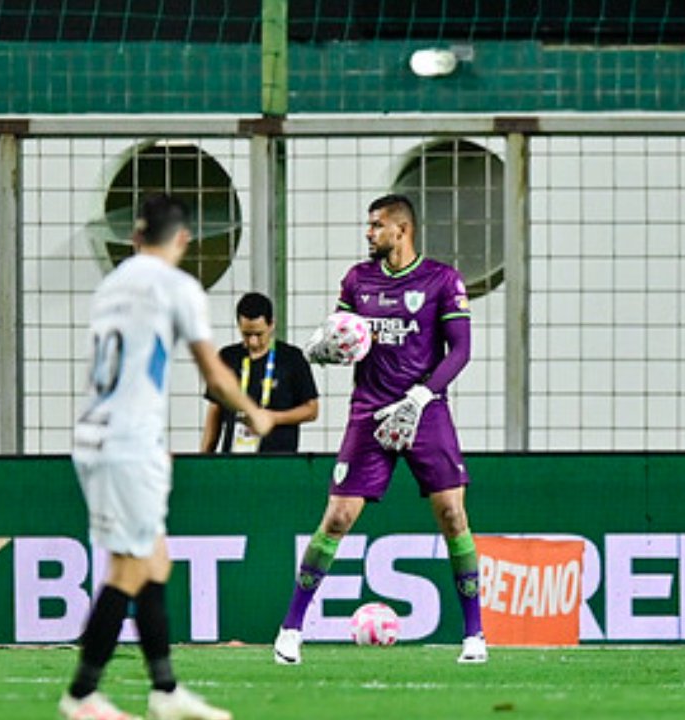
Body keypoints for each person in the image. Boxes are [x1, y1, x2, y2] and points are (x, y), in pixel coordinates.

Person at [60, 194, 274, 720]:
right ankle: (82, 693)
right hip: (128, 444)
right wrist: (255, 412)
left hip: (99, 436)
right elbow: (214, 371)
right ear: (182, 240)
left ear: (135, 238)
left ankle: (165, 690)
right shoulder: (177, 287)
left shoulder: (112, 285)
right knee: (130, 569)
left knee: (156, 561)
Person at [273, 194, 483, 665]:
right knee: (338, 518)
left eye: (376, 226)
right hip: (369, 412)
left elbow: (461, 350)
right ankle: (290, 629)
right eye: (369, 226)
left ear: (401, 230)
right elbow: (345, 335)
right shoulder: (357, 280)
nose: (369, 234)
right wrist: (325, 347)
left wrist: (423, 394)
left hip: (424, 410)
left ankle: (475, 635)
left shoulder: (442, 280)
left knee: (452, 514)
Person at [200, 292, 319, 454]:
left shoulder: (292, 358)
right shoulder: (227, 357)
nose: (253, 341)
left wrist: (273, 418)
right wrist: (205, 455)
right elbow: (215, 410)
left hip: (278, 459)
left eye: (259, 334)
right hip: (234, 457)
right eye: (246, 334)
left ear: (271, 325)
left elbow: (311, 410)